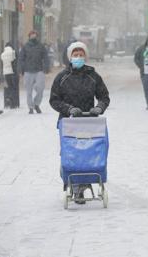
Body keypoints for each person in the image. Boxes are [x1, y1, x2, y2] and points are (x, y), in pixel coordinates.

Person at [50, 41, 110, 203]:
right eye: (75, 55)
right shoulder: (62, 78)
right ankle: (75, 186)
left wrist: (99, 108)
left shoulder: (93, 76)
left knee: (87, 154)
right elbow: (54, 100)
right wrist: (68, 109)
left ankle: (84, 183)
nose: (78, 57)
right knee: (72, 153)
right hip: (68, 122)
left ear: (85, 56)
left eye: (81, 55)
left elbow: (104, 96)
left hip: (88, 121)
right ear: (70, 57)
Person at [20, 30, 49, 114]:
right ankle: (31, 107)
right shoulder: (25, 46)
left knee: (40, 88)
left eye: (34, 34)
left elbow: (46, 57)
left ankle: (36, 104)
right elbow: (21, 59)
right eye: (31, 35)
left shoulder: (41, 46)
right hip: (28, 71)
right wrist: (21, 69)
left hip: (39, 70)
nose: (33, 36)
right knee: (28, 91)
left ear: (37, 36)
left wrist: (46, 67)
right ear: (29, 36)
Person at [1, 42, 19, 109]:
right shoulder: (13, 52)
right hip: (13, 72)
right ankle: (13, 103)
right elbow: (16, 61)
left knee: (9, 87)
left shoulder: (2, 54)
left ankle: (8, 101)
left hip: (6, 73)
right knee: (14, 88)